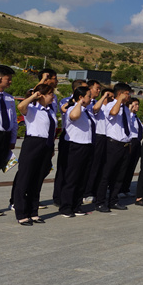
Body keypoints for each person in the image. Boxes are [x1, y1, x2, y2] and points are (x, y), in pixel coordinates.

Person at [14, 84, 57, 225]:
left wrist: (51, 147)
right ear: (42, 95)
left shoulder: (50, 111)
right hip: (33, 144)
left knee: (38, 180)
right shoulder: (32, 108)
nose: (53, 96)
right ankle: (21, 213)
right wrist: (34, 96)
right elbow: (21, 107)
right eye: (50, 94)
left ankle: (33, 212)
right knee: (25, 178)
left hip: (46, 145)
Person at [95, 82, 133, 212]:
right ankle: (100, 202)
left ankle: (113, 200)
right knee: (107, 174)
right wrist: (119, 100)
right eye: (127, 94)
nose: (129, 96)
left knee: (119, 175)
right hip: (113, 144)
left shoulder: (126, 109)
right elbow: (113, 113)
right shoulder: (111, 105)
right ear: (120, 94)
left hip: (124, 144)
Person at [59, 86, 95, 217]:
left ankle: (76, 205)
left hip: (87, 146)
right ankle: (66, 206)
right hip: (75, 146)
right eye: (88, 96)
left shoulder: (86, 111)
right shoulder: (72, 109)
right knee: (72, 178)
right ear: (81, 97)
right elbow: (74, 116)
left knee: (82, 178)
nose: (91, 98)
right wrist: (78, 103)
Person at [0, 65, 18, 217]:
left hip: (4, 137)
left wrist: (12, 139)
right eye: (8, 79)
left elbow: (13, 120)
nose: (10, 82)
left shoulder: (8, 98)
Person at [52, 79, 87, 208]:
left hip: (84, 140)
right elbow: (67, 111)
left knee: (80, 173)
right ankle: (59, 197)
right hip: (69, 137)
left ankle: (75, 201)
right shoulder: (66, 101)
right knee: (65, 169)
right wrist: (76, 102)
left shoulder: (88, 104)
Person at [83, 84, 112, 204]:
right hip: (97, 136)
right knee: (93, 166)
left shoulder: (109, 107)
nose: (98, 91)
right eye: (97, 89)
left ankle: (96, 190)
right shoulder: (92, 103)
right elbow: (95, 109)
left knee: (101, 166)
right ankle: (87, 192)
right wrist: (104, 96)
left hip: (106, 137)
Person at [119, 98, 143, 197]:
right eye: (135, 104)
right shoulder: (128, 116)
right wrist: (128, 110)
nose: (137, 106)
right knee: (125, 166)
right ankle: (119, 189)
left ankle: (126, 188)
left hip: (137, 141)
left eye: (137, 104)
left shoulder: (136, 117)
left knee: (132, 166)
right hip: (130, 141)